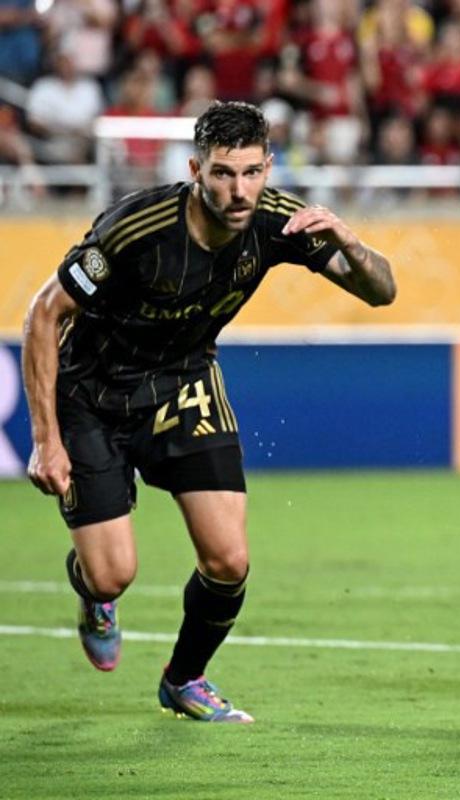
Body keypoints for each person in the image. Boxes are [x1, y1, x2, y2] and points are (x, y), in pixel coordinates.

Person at [22, 100, 395, 723]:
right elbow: (44, 313)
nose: (238, 189)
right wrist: (46, 439)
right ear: (196, 168)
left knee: (229, 561)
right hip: (92, 396)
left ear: (269, 167)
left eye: (251, 172)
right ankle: (92, 589)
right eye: (223, 173)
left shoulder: (282, 222)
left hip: (183, 384)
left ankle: (184, 679)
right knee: (114, 574)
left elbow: (382, 292)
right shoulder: (135, 230)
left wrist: (352, 243)